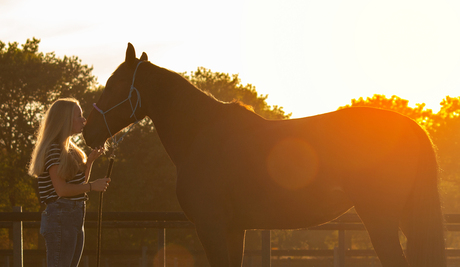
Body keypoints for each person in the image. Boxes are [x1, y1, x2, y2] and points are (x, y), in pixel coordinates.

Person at [28, 98, 111, 267]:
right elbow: (62, 190)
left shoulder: (70, 150)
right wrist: (92, 187)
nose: (84, 120)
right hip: (60, 216)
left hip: (74, 216)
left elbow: (79, 185)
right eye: (79, 116)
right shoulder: (53, 149)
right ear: (65, 120)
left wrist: (90, 162)